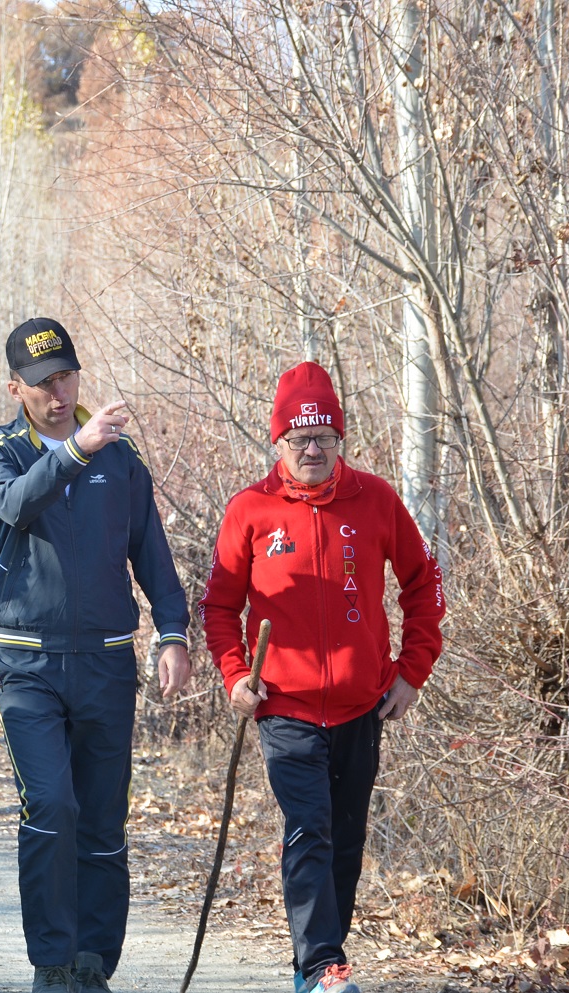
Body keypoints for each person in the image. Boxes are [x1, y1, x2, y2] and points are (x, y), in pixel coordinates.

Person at [199, 361, 445, 993]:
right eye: (300, 439)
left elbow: (424, 585)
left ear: (340, 441)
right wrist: (234, 676)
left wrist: (412, 671)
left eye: (325, 438)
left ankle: (320, 957)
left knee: (344, 837)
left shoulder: (377, 500)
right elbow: (220, 608)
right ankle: (322, 967)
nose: (313, 450)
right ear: (278, 442)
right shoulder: (251, 510)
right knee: (308, 830)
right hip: (285, 707)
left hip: (364, 705)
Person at [0, 318, 191, 993]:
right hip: (26, 664)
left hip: (104, 662)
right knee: (51, 805)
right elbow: (15, 503)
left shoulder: (121, 459)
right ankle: (52, 961)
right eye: (43, 383)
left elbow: (151, 553)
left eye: (67, 376)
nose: (60, 393)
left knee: (101, 814)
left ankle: (94, 960)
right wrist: (75, 452)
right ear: (16, 387)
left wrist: (174, 633)